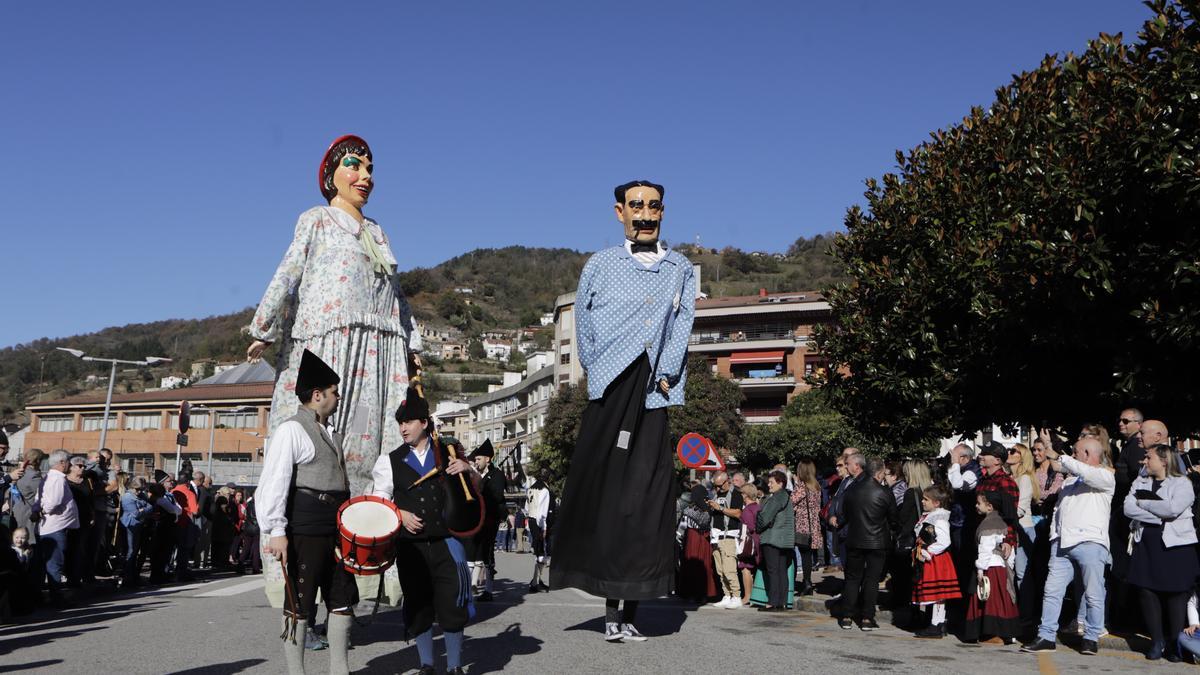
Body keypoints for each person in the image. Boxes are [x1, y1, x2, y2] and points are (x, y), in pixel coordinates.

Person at [550, 179, 696, 644]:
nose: (646, 214)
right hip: (612, 385)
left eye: (654, 206)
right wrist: (596, 365)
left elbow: (684, 320)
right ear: (620, 212)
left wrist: (668, 371)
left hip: (655, 386)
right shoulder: (600, 264)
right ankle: (607, 602)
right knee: (606, 492)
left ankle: (631, 602)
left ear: (663, 211)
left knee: (647, 495)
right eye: (637, 206)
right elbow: (585, 320)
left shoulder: (681, 268)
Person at [246, 135, 421, 500]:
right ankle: (302, 514)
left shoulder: (378, 232)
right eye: (354, 165)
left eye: (370, 168)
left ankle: (363, 517)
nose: (365, 175)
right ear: (331, 176)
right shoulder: (317, 219)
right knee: (323, 426)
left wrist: (411, 342)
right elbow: (289, 270)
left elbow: (396, 291)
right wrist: (265, 325)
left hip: (378, 353)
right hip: (330, 341)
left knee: (364, 431)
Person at [256, 350, 358, 675]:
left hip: (338, 532)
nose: (338, 397)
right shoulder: (291, 430)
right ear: (317, 395)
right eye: (334, 391)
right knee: (299, 605)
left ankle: (339, 670)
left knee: (342, 603)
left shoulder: (331, 432)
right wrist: (276, 530)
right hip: (305, 530)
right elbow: (273, 483)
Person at [370, 386, 480, 675]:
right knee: (418, 605)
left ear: (424, 423)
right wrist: (400, 513)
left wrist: (467, 470)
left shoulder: (448, 452)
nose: (403, 428)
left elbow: (476, 490)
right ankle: (427, 665)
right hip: (411, 546)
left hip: (447, 543)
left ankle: (455, 666)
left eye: (408, 422)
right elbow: (380, 502)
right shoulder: (389, 461)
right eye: (401, 423)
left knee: (452, 603)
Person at [1022, 435, 1115, 657]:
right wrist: (1055, 537)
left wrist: (1056, 454)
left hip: (1091, 542)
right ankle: (1046, 635)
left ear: (1087, 455)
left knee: (1093, 593)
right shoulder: (1070, 481)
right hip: (1062, 543)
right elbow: (1059, 511)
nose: (1072, 456)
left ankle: (1091, 637)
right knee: (1052, 591)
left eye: (1075, 452)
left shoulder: (1104, 476)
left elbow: (1088, 473)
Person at [1124, 443, 1199, 662]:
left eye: (1148, 458)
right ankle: (1157, 641)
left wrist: (1143, 502)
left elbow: (1173, 509)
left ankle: (1176, 643)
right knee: (1147, 592)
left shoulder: (1182, 483)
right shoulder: (1141, 481)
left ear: (1164, 461)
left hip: (1175, 547)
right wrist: (1157, 516)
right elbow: (1129, 508)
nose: (1144, 461)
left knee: (1175, 595)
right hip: (1146, 545)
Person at [837, 457, 898, 631]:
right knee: (871, 580)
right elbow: (893, 519)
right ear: (879, 472)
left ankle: (847, 616)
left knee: (852, 579)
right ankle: (866, 617)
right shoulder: (884, 492)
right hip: (877, 541)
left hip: (855, 539)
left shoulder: (851, 490)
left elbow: (845, 515)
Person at [964, 491, 1020, 644]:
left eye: (979, 503)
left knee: (990, 599)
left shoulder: (988, 524)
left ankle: (993, 633)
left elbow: (985, 550)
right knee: (1002, 599)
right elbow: (1009, 552)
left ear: (989, 506)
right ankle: (1006, 633)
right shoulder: (999, 522)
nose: (976, 506)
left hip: (990, 568)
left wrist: (980, 570)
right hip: (999, 567)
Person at [912, 485, 959, 638]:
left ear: (937, 503)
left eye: (926, 499)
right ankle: (935, 623)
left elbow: (945, 541)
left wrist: (928, 551)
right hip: (928, 557)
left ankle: (936, 624)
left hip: (937, 560)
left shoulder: (940, 519)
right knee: (935, 593)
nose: (923, 502)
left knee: (938, 593)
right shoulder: (930, 516)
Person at [36, 450, 78, 601]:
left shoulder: (49, 477)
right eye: (68, 461)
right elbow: (53, 502)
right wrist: (45, 510)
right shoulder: (58, 479)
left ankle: (55, 594)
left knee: (53, 561)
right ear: (62, 462)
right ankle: (56, 597)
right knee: (55, 562)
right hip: (55, 527)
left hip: (52, 526)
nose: (70, 465)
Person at [469, 440, 506, 602]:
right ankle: (471, 586)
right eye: (475, 459)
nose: (476, 462)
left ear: (487, 459)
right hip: (476, 519)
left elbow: (496, 496)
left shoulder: (497, 475)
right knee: (473, 552)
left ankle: (489, 590)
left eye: (478, 459)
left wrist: (480, 488)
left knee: (488, 553)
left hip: (490, 518)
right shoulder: (476, 475)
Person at [756, 471, 795, 612]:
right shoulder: (786, 497)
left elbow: (764, 518)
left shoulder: (777, 497)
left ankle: (772, 602)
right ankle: (781, 602)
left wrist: (758, 524)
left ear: (781, 483)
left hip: (773, 538)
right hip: (785, 540)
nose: (769, 484)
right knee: (781, 571)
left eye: (772, 482)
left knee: (773, 571)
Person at [706, 471, 744, 609]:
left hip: (729, 536)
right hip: (716, 536)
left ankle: (737, 596)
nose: (717, 489)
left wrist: (720, 508)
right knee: (720, 570)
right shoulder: (717, 494)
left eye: (719, 486)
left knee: (729, 569)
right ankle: (727, 595)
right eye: (715, 486)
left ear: (727, 481)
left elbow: (738, 513)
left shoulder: (736, 494)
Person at [1006, 443, 1039, 590]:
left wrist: (1001, 515)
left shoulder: (1024, 479)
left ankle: (1026, 611)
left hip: (1023, 529)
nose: (1009, 453)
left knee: (1022, 573)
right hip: (1011, 528)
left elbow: (1021, 509)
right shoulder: (1009, 477)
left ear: (1022, 457)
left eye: (1013, 451)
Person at [676, 484, 715, 605]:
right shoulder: (710, 509)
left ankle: (690, 593)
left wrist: (678, 541)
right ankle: (704, 594)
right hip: (705, 540)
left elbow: (681, 530)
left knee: (691, 565)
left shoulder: (688, 510)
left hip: (692, 540)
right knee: (705, 565)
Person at [791, 459, 823, 598]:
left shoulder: (801, 487)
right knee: (808, 557)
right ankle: (807, 581)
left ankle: (806, 583)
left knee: (804, 556)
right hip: (813, 525)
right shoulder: (816, 487)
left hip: (802, 526)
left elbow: (790, 502)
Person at [118, 476, 152, 587]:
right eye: (137, 489)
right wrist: (143, 509)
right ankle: (128, 576)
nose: (139, 492)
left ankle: (133, 575)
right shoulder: (127, 497)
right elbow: (135, 513)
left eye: (141, 489)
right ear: (132, 487)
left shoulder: (141, 495)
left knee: (136, 551)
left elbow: (150, 507)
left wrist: (143, 509)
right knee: (131, 551)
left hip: (139, 526)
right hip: (130, 526)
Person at [525, 473, 551, 593]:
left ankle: (537, 581)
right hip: (538, 521)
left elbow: (526, 507)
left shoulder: (531, 489)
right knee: (541, 552)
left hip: (531, 519)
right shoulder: (544, 490)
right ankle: (535, 583)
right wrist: (544, 527)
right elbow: (542, 512)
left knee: (539, 552)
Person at [737, 484, 762, 607]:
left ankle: (747, 596)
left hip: (750, 541)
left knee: (745, 567)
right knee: (756, 567)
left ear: (746, 495)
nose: (741, 495)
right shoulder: (758, 507)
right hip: (759, 540)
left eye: (742, 493)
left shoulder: (747, 510)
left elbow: (751, 527)